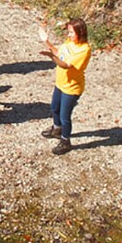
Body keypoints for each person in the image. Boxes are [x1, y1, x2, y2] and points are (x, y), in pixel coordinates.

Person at [39, 18, 92, 155]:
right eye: (68, 32)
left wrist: (51, 57)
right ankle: (56, 129)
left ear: (80, 32)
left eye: (71, 33)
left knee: (64, 116)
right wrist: (46, 41)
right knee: (54, 108)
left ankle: (65, 141)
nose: (68, 35)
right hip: (61, 83)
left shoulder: (84, 50)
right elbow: (59, 54)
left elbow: (66, 65)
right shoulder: (70, 42)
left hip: (72, 87)